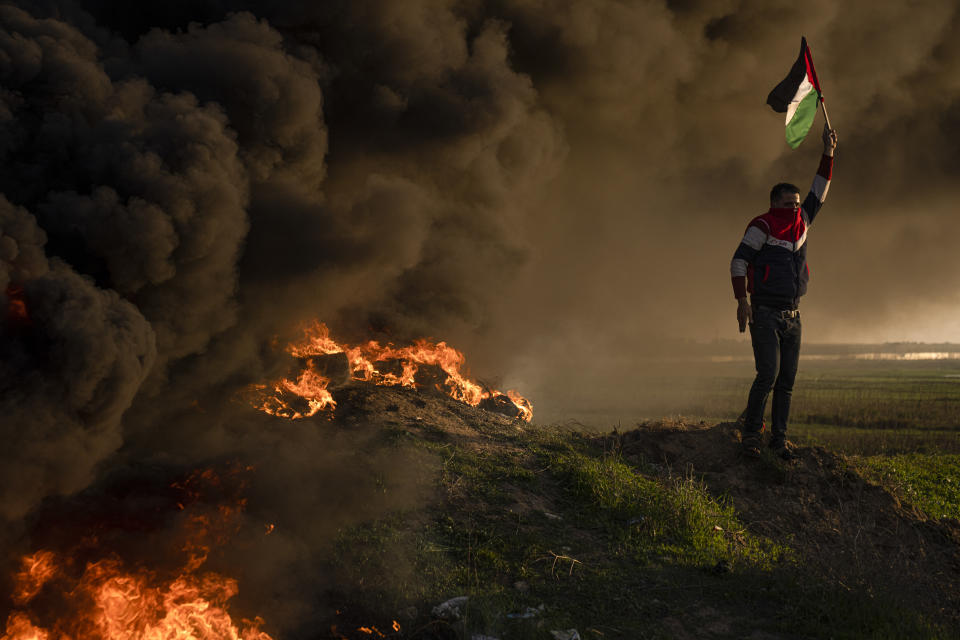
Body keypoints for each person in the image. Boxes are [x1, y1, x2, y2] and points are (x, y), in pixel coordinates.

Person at [730, 123, 838, 459]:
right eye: (788, 203)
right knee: (768, 375)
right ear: (774, 202)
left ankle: (779, 439)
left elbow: (819, 189)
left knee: (786, 383)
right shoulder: (762, 226)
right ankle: (751, 435)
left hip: (793, 316)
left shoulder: (802, 222)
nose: (794, 207)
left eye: (796, 202)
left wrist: (828, 152)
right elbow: (738, 262)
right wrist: (742, 302)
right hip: (764, 313)